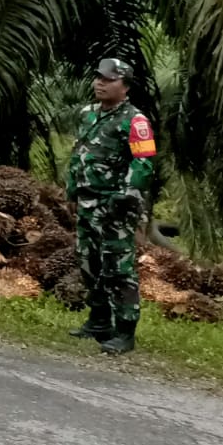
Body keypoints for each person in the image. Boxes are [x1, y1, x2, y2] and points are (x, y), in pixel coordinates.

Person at [66, 58, 156, 355]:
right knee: (88, 262)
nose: (100, 83)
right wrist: (71, 190)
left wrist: (126, 193)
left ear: (125, 86)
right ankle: (99, 320)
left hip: (116, 205)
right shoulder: (87, 115)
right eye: (98, 78)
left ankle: (125, 330)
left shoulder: (135, 120)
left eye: (108, 79)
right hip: (88, 201)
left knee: (118, 267)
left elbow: (143, 162)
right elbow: (78, 154)